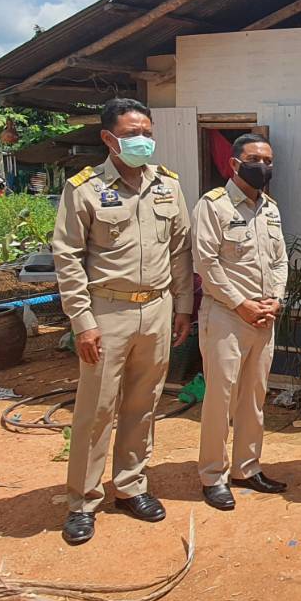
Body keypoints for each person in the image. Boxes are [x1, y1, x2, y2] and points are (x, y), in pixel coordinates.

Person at [50, 98, 194, 545]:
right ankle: (84, 499)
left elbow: (180, 251)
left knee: (143, 402)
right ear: (109, 139)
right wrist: (82, 321)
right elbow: (68, 257)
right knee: (96, 409)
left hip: (157, 308)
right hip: (106, 311)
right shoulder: (85, 188)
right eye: (134, 133)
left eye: (148, 132)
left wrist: (184, 306)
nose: (144, 141)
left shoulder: (167, 185)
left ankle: (131, 485)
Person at [192, 133, 289, 510]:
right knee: (220, 398)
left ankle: (247, 468)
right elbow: (206, 264)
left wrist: (275, 300)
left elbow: (280, 260)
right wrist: (242, 304)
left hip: (265, 317)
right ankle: (213, 475)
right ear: (234, 164)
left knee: (254, 397)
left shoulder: (271, 209)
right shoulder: (212, 206)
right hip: (227, 318)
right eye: (255, 159)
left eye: (268, 160)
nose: (263, 166)